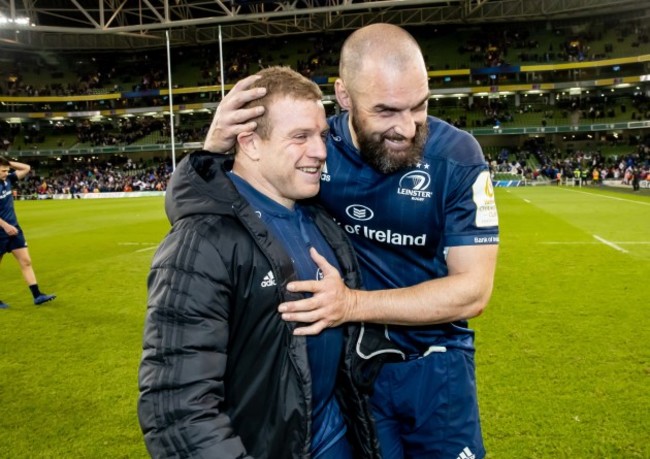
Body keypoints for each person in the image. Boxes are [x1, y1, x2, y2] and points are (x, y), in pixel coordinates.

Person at [203, 24, 500, 459]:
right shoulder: (314, 153)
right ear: (343, 96)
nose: (406, 127)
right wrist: (213, 150)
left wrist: (351, 305)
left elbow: (473, 291)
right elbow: (214, 215)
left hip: (437, 367)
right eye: (386, 111)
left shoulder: (457, 156)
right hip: (352, 373)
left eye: (419, 106)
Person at [138, 66, 384, 459]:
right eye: (300, 137)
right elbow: (176, 409)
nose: (321, 151)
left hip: (338, 442)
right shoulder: (200, 243)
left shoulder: (319, 219)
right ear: (250, 144)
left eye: (320, 136)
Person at [0, 157, 56, 309]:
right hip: (2, 231)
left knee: (26, 261)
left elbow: (26, 168)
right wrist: (5, 226)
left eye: (7, 170)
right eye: (3, 170)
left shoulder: (8, 179)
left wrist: (8, 163)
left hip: (14, 229)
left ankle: (37, 295)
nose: (7, 173)